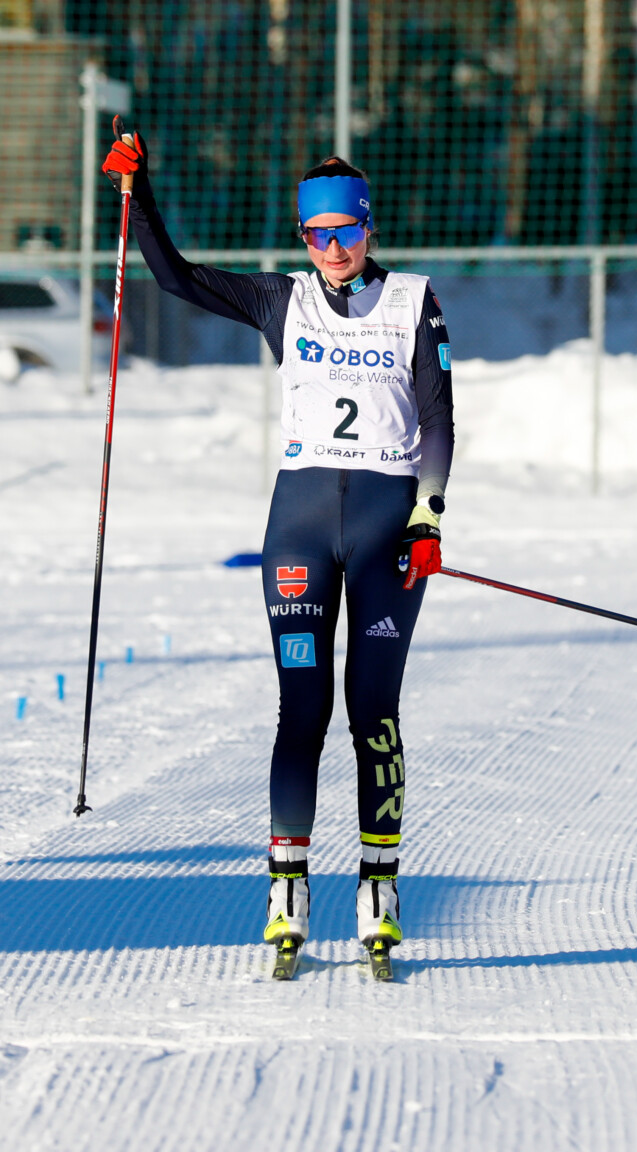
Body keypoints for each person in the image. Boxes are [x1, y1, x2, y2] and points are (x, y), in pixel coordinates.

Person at [102, 130, 454, 963]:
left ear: (368, 227)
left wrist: (429, 514)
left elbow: (438, 415)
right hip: (298, 524)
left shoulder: (413, 300)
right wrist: (137, 196)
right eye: (317, 234)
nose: (333, 249)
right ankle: (287, 889)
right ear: (303, 236)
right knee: (303, 709)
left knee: (373, 712)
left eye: (346, 231)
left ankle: (378, 888)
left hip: (386, 526)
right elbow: (175, 277)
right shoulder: (278, 300)